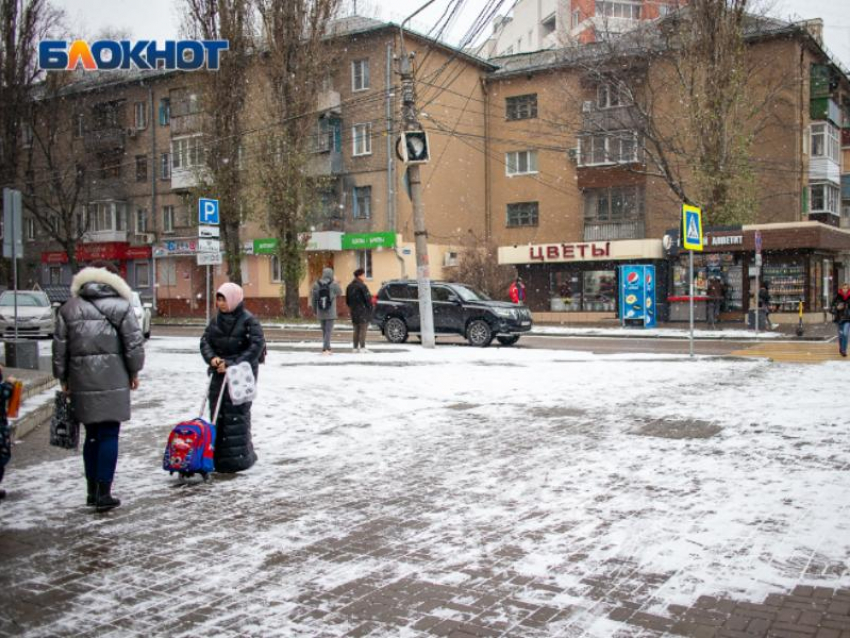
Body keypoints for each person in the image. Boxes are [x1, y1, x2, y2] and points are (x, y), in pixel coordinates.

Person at [52, 261, 145, 512]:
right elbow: (133, 345)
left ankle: (91, 491)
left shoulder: (68, 309)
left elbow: (59, 348)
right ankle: (104, 491)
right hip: (114, 379)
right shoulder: (122, 307)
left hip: (80, 380)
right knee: (108, 434)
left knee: (91, 436)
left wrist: (63, 378)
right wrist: (134, 371)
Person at [200, 282, 265, 473]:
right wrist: (213, 359)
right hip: (218, 377)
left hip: (240, 378)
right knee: (218, 415)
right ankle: (219, 458)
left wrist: (231, 363)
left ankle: (240, 459)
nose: (221, 304)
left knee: (238, 416)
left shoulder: (248, 320)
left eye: (224, 299)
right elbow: (205, 342)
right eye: (219, 299)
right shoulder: (216, 321)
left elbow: (255, 346)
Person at [310, 267, 343, 354]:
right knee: (328, 331)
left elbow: (313, 298)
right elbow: (340, 292)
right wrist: (336, 282)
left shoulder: (316, 284)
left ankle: (328, 347)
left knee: (324, 330)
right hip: (330, 311)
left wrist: (314, 310)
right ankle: (325, 349)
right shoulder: (333, 284)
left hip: (320, 310)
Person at [346, 268, 373, 353]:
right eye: (364, 275)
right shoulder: (362, 286)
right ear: (360, 276)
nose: (364, 277)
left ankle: (354, 347)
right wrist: (370, 307)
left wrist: (352, 307)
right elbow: (368, 299)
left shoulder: (349, 286)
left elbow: (347, 301)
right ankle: (362, 347)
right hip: (363, 310)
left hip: (354, 311)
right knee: (363, 329)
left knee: (356, 329)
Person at [830, 281, 850, 357]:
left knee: (845, 334)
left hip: (848, 319)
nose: (845, 289)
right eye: (844, 288)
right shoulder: (837, 296)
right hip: (839, 319)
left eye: (846, 288)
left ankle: (844, 350)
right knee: (841, 335)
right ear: (841, 288)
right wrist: (837, 307)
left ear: (848, 289)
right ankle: (841, 348)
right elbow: (831, 308)